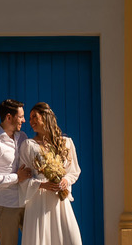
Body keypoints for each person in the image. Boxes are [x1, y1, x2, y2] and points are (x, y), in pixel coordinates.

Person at [18, 102, 82, 245]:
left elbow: (74, 171)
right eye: (30, 118)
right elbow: (23, 179)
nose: (31, 121)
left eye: (35, 116)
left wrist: (65, 180)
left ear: (46, 116)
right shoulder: (28, 146)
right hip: (38, 202)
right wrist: (42, 185)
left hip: (60, 201)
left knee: (71, 239)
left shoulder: (66, 143)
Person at [0, 99, 34, 245]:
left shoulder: (23, 137)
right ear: (9, 117)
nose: (24, 120)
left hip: (28, 204)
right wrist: (16, 177)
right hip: (7, 206)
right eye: (20, 116)